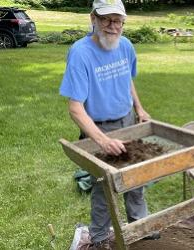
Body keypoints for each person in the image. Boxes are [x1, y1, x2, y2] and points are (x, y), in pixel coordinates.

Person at [59, 0, 158, 249]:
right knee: (104, 186)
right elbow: (75, 108)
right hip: (98, 127)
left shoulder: (125, 46)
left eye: (118, 21)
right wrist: (102, 140)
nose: (112, 26)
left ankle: (139, 225)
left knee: (135, 176)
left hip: (128, 121)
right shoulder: (80, 53)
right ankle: (100, 238)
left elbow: (128, 80)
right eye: (106, 19)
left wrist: (139, 108)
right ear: (93, 18)